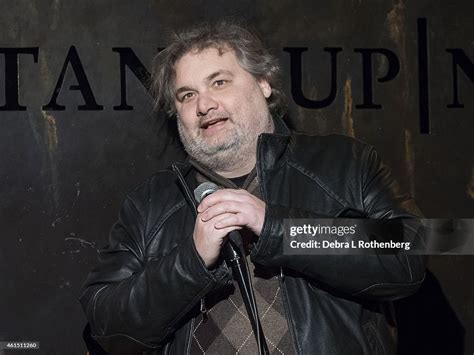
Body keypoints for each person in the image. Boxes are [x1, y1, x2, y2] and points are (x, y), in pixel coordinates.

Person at [80, 20, 425, 355]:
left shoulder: (344, 162)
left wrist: (277, 227)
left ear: (263, 83)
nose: (204, 105)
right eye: (187, 95)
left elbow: (411, 249)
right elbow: (106, 326)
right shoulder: (150, 203)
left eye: (219, 82)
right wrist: (192, 261)